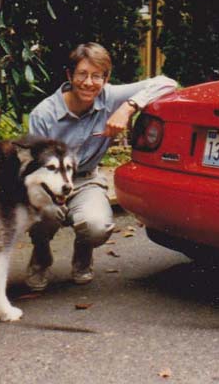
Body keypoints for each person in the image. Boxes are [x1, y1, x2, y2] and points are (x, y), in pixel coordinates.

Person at [26, 42, 177, 290]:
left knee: (96, 226)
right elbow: (35, 168)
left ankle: (83, 250)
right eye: (82, 74)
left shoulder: (110, 97)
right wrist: (53, 196)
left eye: (97, 76)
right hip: (49, 183)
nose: (89, 83)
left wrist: (128, 108)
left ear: (106, 79)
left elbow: (167, 83)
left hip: (86, 180)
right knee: (44, 216)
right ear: (69, 75)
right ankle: (41, 257)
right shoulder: (43, 115)